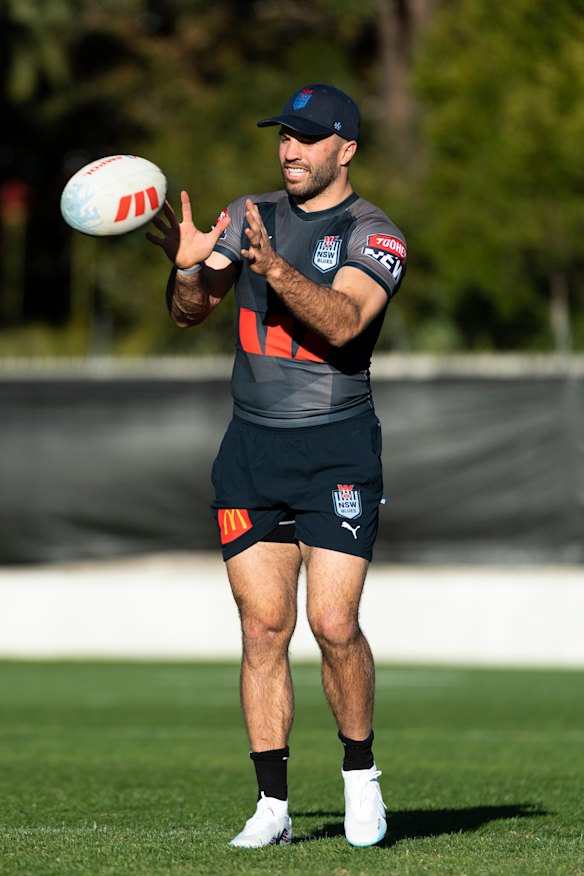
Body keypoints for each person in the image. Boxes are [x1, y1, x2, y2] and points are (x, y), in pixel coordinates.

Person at [147, 83, 406, 849]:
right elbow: (189, 312)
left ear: (345, 149)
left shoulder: (375, 232)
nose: (289, 149)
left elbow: (347, 321)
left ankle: (361, 777)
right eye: (282, 136)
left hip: (336, 448)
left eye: (306, 137)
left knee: (332, 623)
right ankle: (273, 805)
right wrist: (190, 268)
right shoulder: (249, 212)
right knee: (263, 629)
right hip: (251, 449)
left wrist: (274, 269)